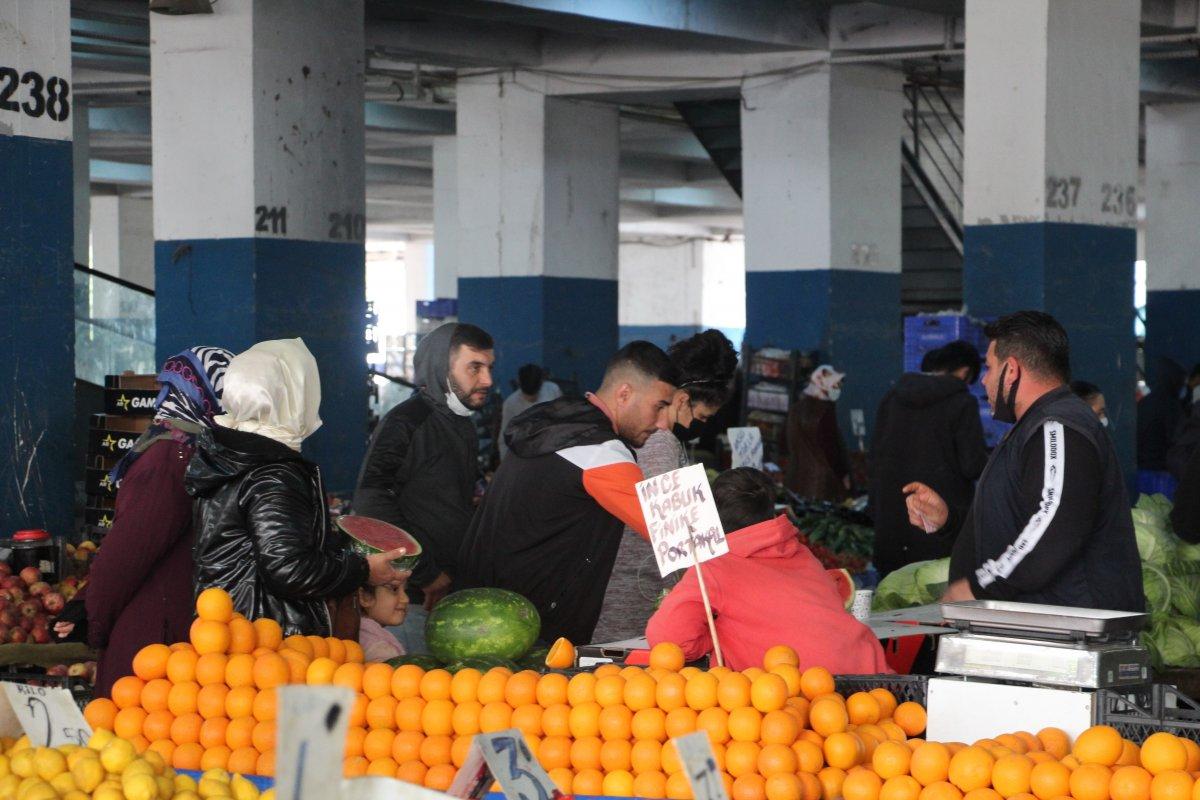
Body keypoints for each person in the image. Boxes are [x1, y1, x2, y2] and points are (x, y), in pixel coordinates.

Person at [904, 311, 1144, 611]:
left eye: (989, 368)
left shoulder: (1057, 427)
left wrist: (982, 586)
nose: (983, 380)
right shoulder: (1036, 426)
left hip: (1065, 632)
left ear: (1012, 370)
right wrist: (951, 521)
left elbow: (1053, 521)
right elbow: (1020, 518)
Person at [455, 341, 679, 644]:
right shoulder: (600, 452)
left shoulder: (555, 424)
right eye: (660, 407)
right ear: (624, 394)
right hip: (525, 629)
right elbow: (678, 534)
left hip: (480, 613)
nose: (664, 424)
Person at [187, 339, 407, 635]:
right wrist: (364, 570)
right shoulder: (273, 473)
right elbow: (288, 568)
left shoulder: (225, 456)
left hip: (229, 630)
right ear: (294, 395)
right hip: (271, 639)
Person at [53, 347, 232, 698]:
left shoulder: (171, 456)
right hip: (180, 629)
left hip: (151, 636)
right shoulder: (199, 454)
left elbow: (127, 554)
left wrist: (94, 618)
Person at [647, 468, 892, 673]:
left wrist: (717, 640)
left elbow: (668, 639)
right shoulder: (802, 553)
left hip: (806, 697)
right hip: (874, 677)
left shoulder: (715, 566)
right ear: (771, 510)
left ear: (709, 517)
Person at [353, 323, 495, 653]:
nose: (487, 380)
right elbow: (371, 499)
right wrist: (426, 573)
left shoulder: (460, 423)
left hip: (449, 594)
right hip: (412, 601)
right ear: (441, 368)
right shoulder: (407, 422)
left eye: (489, 367)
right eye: (474, 367)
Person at [593, 329, 738, 643]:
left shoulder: (642, 435)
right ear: (683, 399)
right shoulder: (660, 442)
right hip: (633, 599)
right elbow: (677, 538)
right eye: (698, 417)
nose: (692, 426)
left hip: (622, 588)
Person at [868, 340, 988, 579]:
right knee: (932, 599)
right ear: (965, 373)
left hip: (892, 522)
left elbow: (874, 456)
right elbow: (972, 464)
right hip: (936, 524)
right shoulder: (962, 403)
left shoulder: (893, 396)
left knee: (890, 600)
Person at [784, 364, 849, 501]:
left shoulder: (796, 409)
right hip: (822, 484)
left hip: (795, 480)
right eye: (835, 385)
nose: (838, 389)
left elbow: (786, 443)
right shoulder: (825, 412)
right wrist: (843, 475)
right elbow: (831, 449)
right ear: (823, 385)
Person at [499, 364, 562, 460]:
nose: (531, 398)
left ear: (542, 383)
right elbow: (504, 439)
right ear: (518, 382)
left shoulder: (553, 391)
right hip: (526, 453)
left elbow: (564, 421)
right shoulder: (511, 404)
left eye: (534, 393)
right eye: (527, 395)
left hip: (553, 448)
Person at [1138, 357, 1186, 472]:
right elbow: (1176, 439)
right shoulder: (1171, 405)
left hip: (1142, 466)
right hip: (1162, 469)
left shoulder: (1145, 402)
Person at [359, 577, 410, 662]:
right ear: (365, 597)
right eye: (394, 589)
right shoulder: (378, 649)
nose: (406, 599)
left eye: (405, 590)